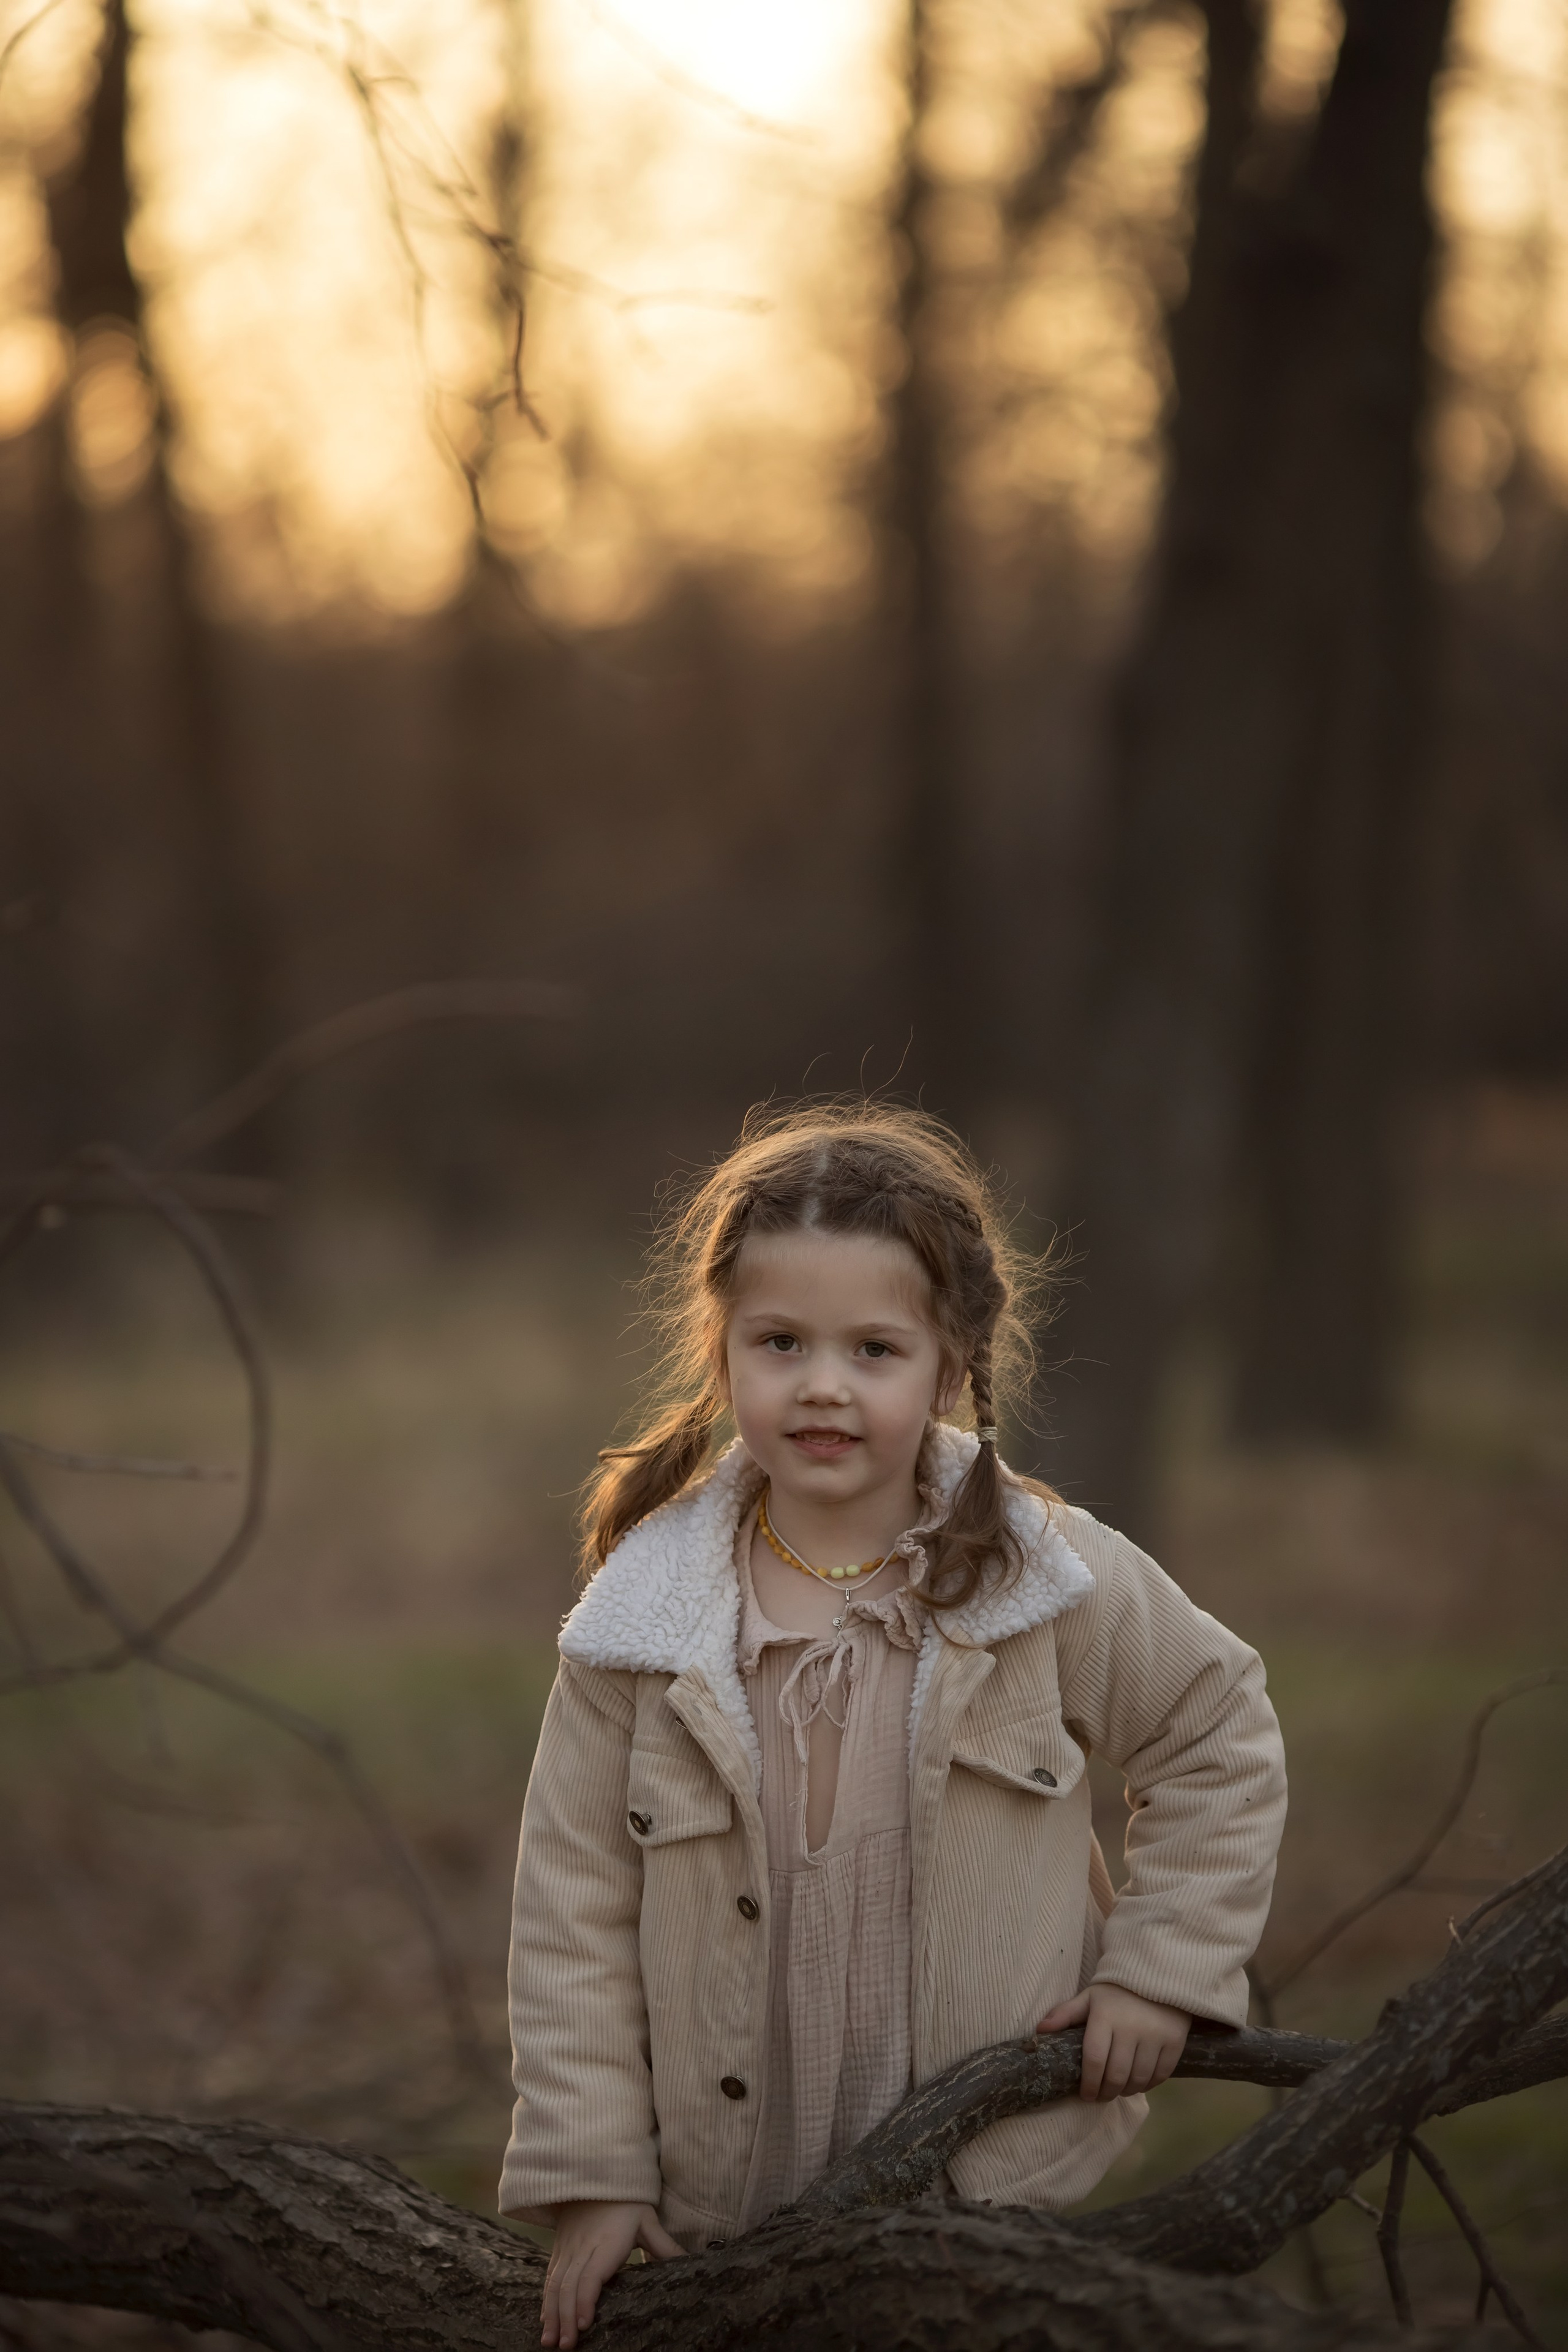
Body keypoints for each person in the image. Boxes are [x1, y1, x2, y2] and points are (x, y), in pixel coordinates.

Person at [499, 1104, 1287, 2348]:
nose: (821, 1384)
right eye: (780, 1342)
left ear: (952, 1361)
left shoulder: (1040, 1580)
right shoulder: (638, 1628)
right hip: (725, 2201)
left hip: (984, 2182)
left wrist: (1162, 1969)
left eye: (872, 1349)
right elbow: (570, 1911)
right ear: (722, 1352)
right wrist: (592, 2172)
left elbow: (1215, 1728)